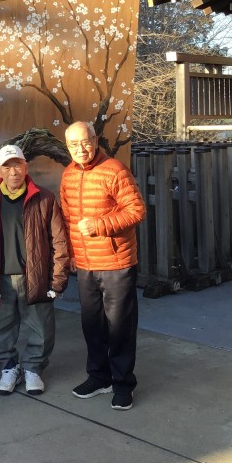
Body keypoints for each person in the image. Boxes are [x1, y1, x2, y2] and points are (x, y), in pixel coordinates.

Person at [0, 144, 70, 396]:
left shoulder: (43, 197)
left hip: (35, 275)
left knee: (41, 327)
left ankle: (33, 368)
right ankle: (8, 367)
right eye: (7, 167)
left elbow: (59, 241)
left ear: (26, 167)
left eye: (17, 165)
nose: (13, 172)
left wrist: (58, 278)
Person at [60, 121, 146, 411]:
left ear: (95, 140)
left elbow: (136, 211)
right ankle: (99, 377)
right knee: (92, 325)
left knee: (120, 327)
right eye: (74, 144)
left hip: (116, 262)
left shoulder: (115, 170)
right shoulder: (68, 174)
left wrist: (99, 225)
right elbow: (67, 219)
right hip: (85, 264)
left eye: (85, 142)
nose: (81, 149)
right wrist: (72, 254)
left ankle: (123, 384)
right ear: (67, 147)